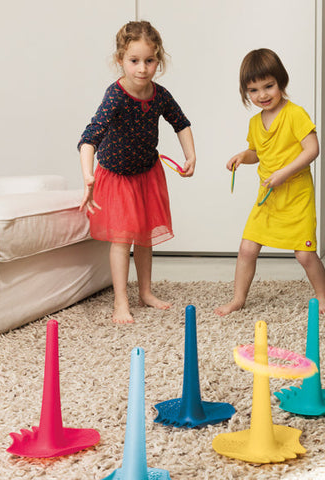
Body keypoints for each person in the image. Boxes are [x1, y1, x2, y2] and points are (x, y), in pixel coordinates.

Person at [78, 20, 196, 324]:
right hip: (117, 177)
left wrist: (190, 155)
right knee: (122, 240)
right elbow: (89, 138)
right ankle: (120, 301)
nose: (142, 69)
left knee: (145, 238)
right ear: (120, 61)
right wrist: (88, 175)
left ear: (159, 60)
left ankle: (145, 292)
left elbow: (180, 122)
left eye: (149, 60)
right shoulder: (115, 96)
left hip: (147, 173)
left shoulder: (160, 94)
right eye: (134, 61)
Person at [215, 48, 325, 316]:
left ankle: (323, 294)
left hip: (296, 195)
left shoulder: (295, 114)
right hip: (268, 197)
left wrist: (284, 173)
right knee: (247, 248)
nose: (263, 95)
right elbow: (257, 153)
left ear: (282, 81)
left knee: (304, 254)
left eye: (268, 86)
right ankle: (238, 299)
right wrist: (241, 156)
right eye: (254, 90)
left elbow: (312, 149)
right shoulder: (255, 122)